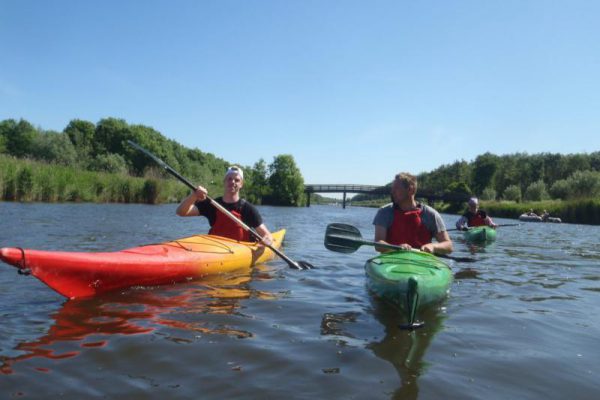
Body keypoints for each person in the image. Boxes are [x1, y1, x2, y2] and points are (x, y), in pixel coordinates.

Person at [176, 166, 273, 245]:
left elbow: (267, 235)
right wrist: (194, 196)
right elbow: (181, 212)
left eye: (237, 180)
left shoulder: (248, 209)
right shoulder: (212, 204)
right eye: (229, 179)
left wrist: (266, 240)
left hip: (239, 251)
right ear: (224, 181)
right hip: (214, 248)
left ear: (241, 184)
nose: (232, 182)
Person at [373, 172, 453, 255]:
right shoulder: (384, 212)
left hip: (422, 261)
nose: (392, 192)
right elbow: (378, 243)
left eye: (396, 188)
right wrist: (396, 247)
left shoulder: (430, 214)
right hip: (391, 258)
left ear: (410, 190)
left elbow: (448, 246)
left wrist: (433, 246)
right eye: (392, 188)